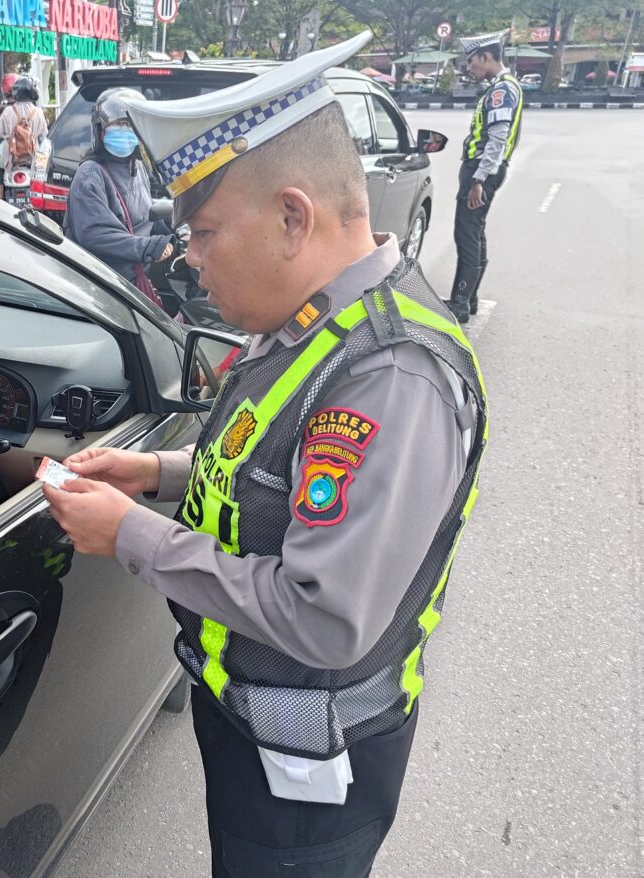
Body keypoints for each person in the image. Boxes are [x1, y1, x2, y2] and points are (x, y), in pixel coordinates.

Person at [42, 32, 489, 877]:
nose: (190, 259)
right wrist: (158, 474)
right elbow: (272, 476)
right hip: (254, 727)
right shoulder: (304, 324)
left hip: (310, 779)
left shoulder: (390, 378)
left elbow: (323, 616)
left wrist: (131, 535)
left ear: (292, 217)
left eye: (204, 233)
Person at [63, 88, 175, 310]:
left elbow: (143, 217)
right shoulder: (91, 174)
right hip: (105, 285)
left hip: (134, 279)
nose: (125, 132)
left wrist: (172, 231)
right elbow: (95, 234)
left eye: (130, 126)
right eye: (118, 125)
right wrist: (148, 247)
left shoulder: (137, 167)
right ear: (100, 131)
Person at [448, 30, 524, 323]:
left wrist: (478, 180)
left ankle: (460, 303)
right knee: (475, 233)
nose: (469, 67)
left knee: (466, 234)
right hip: (486, 170)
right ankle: (469, 299)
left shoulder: (501, 91)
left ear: (486, 57)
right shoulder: (506, 86)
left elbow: (498, 139)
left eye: (472, 61)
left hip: (481, 171)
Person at [0, 76, 48, 200]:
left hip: (10, 156)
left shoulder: (8, 111)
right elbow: (44, 138)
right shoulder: (38, 112)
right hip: (32, 157)